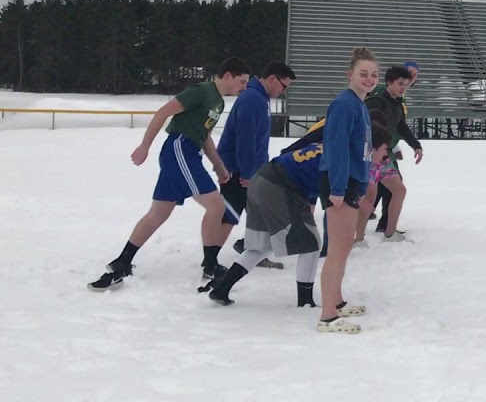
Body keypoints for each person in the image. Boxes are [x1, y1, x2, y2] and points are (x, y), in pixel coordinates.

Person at [88, 58, 252, 290]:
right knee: (216, 206)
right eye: (242, 81)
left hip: (189, 151)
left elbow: (204, 137)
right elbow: (163, 113)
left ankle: (122, 261)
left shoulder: (218, 102)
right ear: (227, 75)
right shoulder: (201, 91)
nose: (244, 87)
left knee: (158, 213)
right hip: (179, 149)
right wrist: (144, 146)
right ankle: (210, 264)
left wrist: (219, 166)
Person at [203, 123, 392, 308]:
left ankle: (222, 289)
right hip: (279, 186)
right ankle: (305, 301)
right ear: (371, 146)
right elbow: (332, 197)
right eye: (385, 149)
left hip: (264, 179)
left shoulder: (339, 149)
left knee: (263, 245)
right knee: (310, 245)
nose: (386, 156)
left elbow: (311, 178)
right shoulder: (347, 158)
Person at [315, 47, 380, 334]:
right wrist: (339, 188)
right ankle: (328, 317)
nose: (369, 79)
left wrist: (362, 180)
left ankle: (337, 302)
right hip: (337, 183)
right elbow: (336, 147)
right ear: (350, 75)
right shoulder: (344, 104)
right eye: (363, 74)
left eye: (374, 75)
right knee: (338, 250)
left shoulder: (360, 104)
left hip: (351, 181)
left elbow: (360, 149)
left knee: (343, 249)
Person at [212, 61, 296, 270]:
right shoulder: (253, 99)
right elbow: (246, 139)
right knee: (230, 214)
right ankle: (210, 260)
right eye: (283, 86)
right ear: (272, 79)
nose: (283, 92)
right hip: (238, 170)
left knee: (259, 212)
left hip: (251, 169)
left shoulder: (259, 98)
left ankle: (253, 252)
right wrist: (249, 173)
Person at [363, 65, 423, 240]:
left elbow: (400, 126)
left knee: (399, 190)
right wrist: (375, 150)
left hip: (384, 154)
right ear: (389, 83)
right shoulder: (377, 101)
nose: (403, 87)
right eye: (399, 84)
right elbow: (366, 129)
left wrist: (415, 145)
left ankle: (389, 233)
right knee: (368, 195)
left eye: (405, 84)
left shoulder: (397, 103)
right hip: (369, 155)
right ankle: (357, 237)